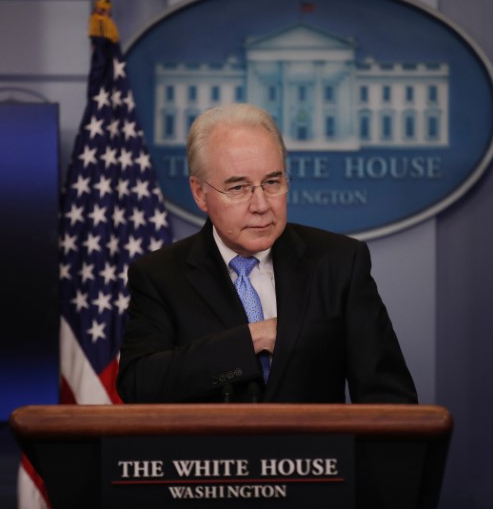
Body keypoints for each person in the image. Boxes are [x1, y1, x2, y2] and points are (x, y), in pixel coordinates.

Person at [117, 103, 417, 404]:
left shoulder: (338, 263)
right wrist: (251, 340)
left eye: (272, 182)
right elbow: (139, 384)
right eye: (238, 188)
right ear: (200, 193)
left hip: (316, 452)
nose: (261, 204)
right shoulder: (160, 275)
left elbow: (390, 402)